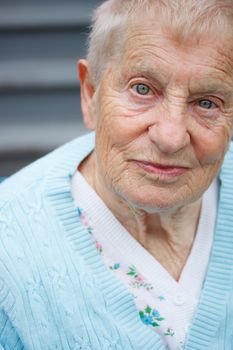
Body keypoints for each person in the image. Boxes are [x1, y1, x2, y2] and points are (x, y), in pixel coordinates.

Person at [1, 0, 233, 349]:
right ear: (90, 93)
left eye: (207, 102)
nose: (170, 137)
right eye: (142, 89)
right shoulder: (10, 247)